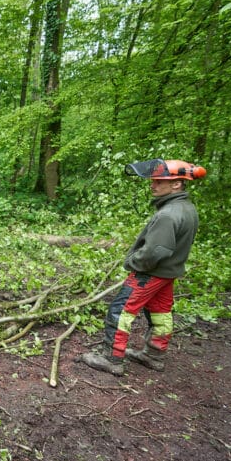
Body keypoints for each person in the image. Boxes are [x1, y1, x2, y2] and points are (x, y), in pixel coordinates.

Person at [79, 158, 207, 376]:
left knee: (120, 311)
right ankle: (154, 354)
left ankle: (111, 357)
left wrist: (133, 262)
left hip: (150, 273)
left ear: (176, 184)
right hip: (168, 273)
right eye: (153, 180)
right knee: (160, 313)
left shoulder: (168, 214)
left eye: (159, 181)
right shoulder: (187, 208)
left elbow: (156, 251)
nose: (153, 184)